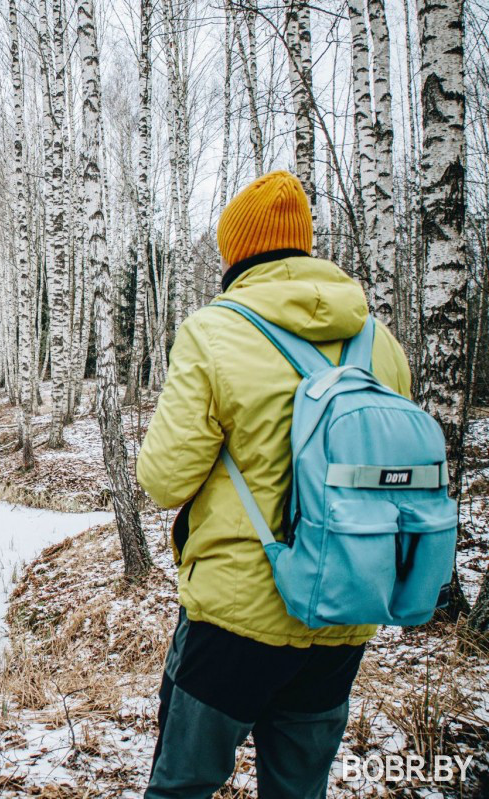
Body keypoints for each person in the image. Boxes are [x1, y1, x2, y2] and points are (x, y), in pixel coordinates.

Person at [136, 171, 411, 798]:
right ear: (306, 245)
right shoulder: (380, 342)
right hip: (346, 611)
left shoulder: (214, 332)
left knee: (181, 786)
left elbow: (164, 477)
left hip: (237, 619)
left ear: (233, 253)